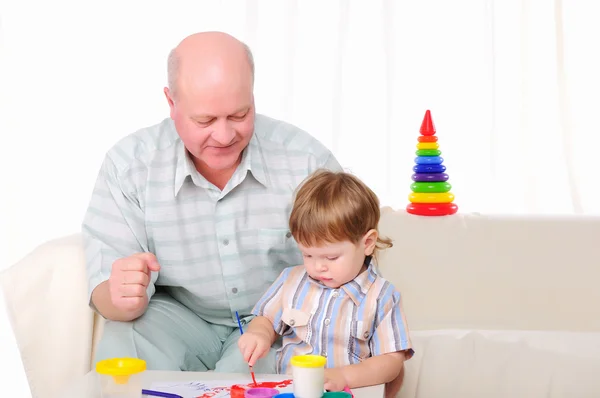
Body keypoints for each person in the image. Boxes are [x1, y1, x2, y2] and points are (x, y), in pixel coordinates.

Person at [82, 31, 342, 373]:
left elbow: (352, 274)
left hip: (279, 319)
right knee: (124, 350)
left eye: (239, 115)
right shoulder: (129, 165)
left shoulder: (306, 161)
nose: (224, 136)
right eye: (204, 120)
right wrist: (119, 297)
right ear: (171, 104)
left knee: (258, 374)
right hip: (177, 316)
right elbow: (105, 289)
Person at [237, 170, 413, 398]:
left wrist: (344, 377)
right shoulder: (291, 280)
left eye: (331, 257)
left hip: (350, 392)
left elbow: (391, 362)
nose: (318, 267)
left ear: (367, 243)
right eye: (308, 255)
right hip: (293, 390)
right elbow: (266, 319)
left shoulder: (382, 296)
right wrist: (259, 334)